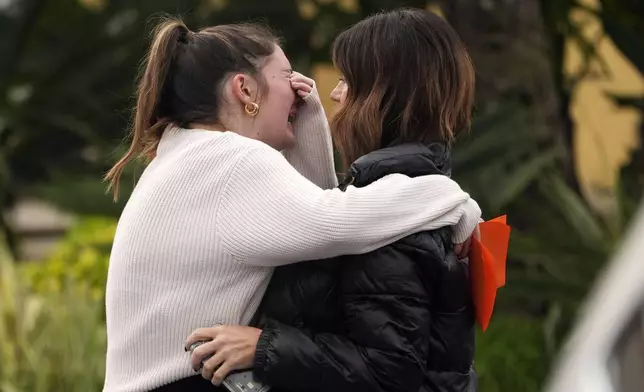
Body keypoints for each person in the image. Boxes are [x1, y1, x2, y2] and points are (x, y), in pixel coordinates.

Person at [102, 16, 481, 392]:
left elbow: (311, 246)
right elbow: (338, 222)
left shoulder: (190, 153)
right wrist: (455, 203)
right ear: (245, 91)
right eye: (287, 77)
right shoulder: (230, 160)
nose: (306, 90)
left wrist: (308, 125)